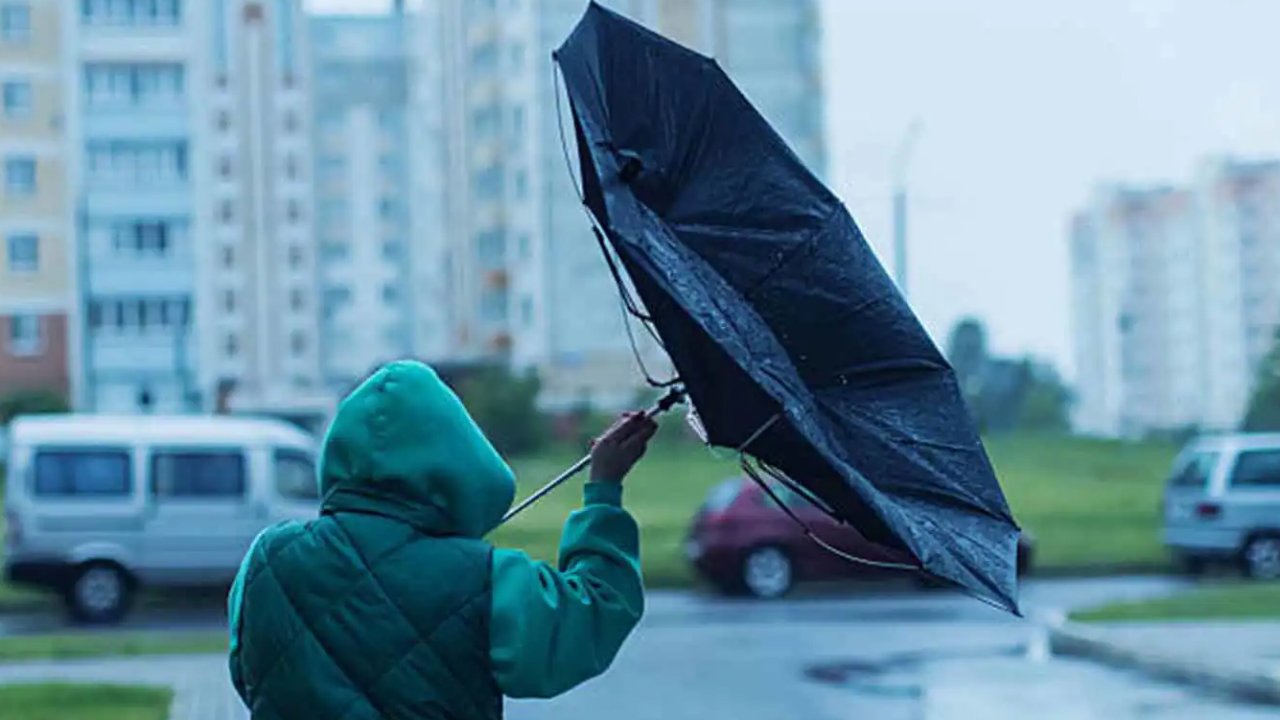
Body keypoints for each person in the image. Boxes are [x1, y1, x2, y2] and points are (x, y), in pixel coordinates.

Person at [227, 360, 657, 718]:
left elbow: (249, 674)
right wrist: (604, 489)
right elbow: (593, 616)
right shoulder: (485, 578)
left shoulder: (267, 558)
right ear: (461, 460)